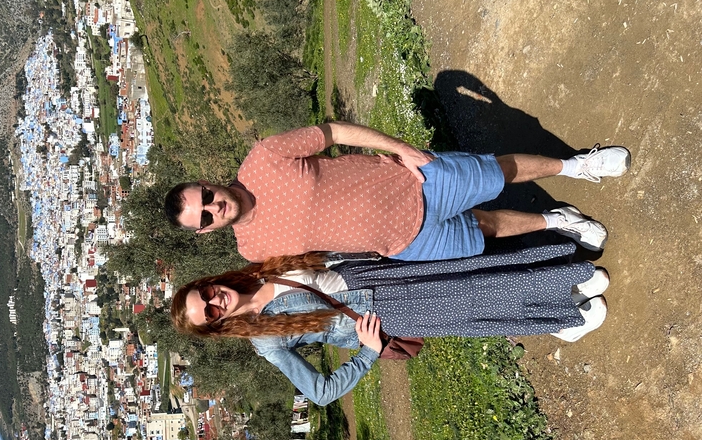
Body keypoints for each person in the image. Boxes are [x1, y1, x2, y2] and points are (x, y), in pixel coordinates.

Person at [170, 245, 608, 406]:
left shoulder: (257, 268)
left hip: (379, 274)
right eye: (208, 314)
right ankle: (565, 317)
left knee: (469, 271)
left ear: (210, 283)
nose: (214, 303)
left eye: (206, 295)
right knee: (470, 305)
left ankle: (562, 278)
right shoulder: (264, 343)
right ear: (215, 327)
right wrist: (368, 352)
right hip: (380, 314)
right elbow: (320, 394)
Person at [163, 121, 630, 262]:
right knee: (485, 229)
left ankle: (578, 164)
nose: (211, 208)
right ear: (205, 231)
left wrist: (401, 149)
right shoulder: (252, 250)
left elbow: (332, 131)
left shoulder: (263, 158)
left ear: (206, 183)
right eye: (203, 217)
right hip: (405, 244)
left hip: (413, 181)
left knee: (498, 173)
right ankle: (559, 221)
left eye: (203, 198)